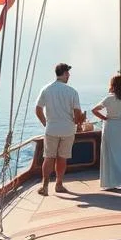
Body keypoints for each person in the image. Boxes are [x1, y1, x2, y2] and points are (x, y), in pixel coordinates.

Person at [35, 63, 82, 196]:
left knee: (48, 157)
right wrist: (78, 121)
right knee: (62, 158)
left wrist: (46, 123)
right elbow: (77, 113)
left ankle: (44, 186)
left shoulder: (46, 89)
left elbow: (38, 110)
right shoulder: (72, 92)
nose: (69, 76)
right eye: (68, 73)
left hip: (51, 129)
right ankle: (59, 184)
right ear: (65, 73)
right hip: (67, 130)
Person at [92, 75, 121, 190]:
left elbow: (94, 110)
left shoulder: (108, 99)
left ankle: (110, 182)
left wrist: (104, 118)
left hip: (110, 125)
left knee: (109, 154)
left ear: (112, 85)